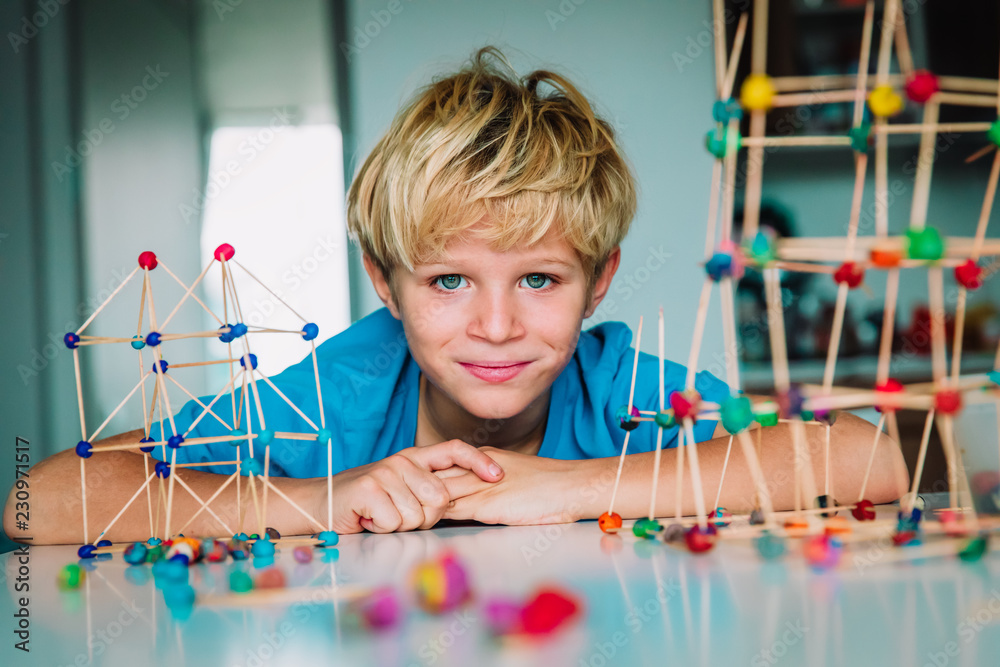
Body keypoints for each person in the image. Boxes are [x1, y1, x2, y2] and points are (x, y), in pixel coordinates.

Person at [3, 47, 907, 545]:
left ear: (599, 281)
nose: (498, 325)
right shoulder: (345, 391)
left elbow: (873, 459)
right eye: (447, 279)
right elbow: (35, 500)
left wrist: (564, 489)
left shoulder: (619, 389)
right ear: (383, 283)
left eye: (541, 279)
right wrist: (328, 497)